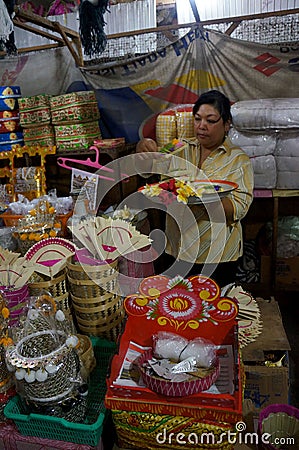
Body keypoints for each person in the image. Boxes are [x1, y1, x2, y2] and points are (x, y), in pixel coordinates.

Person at [136, 90, 254, 287]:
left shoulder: (237, 160)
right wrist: (143, 149)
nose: (202, 126)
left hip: (218, 255)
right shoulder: (178, 148)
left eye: (210, 120)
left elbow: (239, 208)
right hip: (178, 249)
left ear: (226, 125)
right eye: (197, 119)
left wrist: (199, 196)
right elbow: (149, 172)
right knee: (180, 308)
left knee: (214, 310)